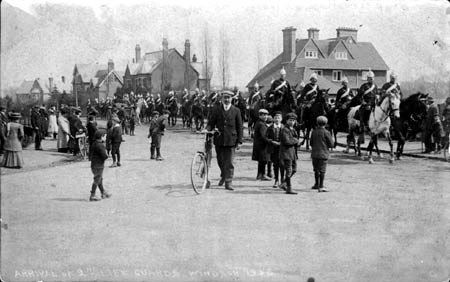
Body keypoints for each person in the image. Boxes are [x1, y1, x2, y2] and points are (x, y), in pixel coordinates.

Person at [206, 90, 243, 191]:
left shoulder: (236, 111)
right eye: (225, 97)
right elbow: (211, 123)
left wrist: (239, 141)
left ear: (232, 99)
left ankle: (228, 182)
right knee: (220, 161)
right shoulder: (216, 110)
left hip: (231, 140)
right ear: (221, 98)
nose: (227, 99)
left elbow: (240, 127)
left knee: (230, 162)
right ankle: (223, 175)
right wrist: (207, 129)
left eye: (228, 98)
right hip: (219, 139)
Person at [310, 116, 334, 192]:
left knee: (316, 169)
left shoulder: (314, 132)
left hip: (315, 153)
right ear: (326, 123)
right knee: (322, 170)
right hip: (323, 153)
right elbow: (331, 144)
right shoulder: (327, 132)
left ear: (317, 123)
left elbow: (311, 143)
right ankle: (321, 185)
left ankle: (316, 184)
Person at [279, 113, 300, 195]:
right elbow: (287, 141)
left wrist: (295, 140)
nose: (292, 122)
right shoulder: (285, 130)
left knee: (294, 169)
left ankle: (283, 183)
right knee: (289, 170)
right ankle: (289, 187)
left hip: (292, 152)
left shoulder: (293, 129)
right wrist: (295, 140)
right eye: (290, 120)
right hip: (286, 152)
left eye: (293, 120)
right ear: (286, 120)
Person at [89, 130, 112, 201]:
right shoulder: (100, 145)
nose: (106, 137)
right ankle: (92, 195)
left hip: (94, 164)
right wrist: (107, 155)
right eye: (105, 136)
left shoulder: (94, 143)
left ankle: (103, 192)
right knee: (97, 179)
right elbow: (104, 156)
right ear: (101, 137)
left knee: (99, 179)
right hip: (99, 165)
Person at [252, 108, 272, 180]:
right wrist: (271, 141)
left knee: (261, 161)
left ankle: (259, 174)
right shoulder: (261, 124)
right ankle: (262, 174)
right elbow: (264, 136)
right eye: (263, 115)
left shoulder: (259, 122)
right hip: (262, 145)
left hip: (259, 145)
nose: (265, 117)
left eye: (266, 115)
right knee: (263, 160)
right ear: (259, 116)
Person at [266, 111, 284, 188]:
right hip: (273, 149)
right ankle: (276, 180)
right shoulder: (270, 128)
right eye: (275, 118)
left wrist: (282, 143)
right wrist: (272, 142)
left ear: (281, 119)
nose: (277, 119)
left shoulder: (284, 128)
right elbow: (266, 138)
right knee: (275, 165)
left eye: (279, 118)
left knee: (282, 165)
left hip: (282, 149)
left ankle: (283, 180)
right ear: (273, 119)